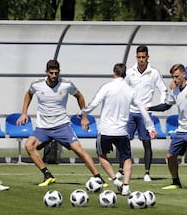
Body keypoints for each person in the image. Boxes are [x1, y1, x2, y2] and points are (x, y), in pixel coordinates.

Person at [16, 59, 106, 186]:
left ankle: (98, 178)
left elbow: (79, 96)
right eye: (51, 73)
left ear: (59, 72)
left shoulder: (66, 84)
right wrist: (24, 112)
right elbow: (28, 94)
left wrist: (84, 116)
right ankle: (47, 175)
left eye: (56, 73)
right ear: (46, 72)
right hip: (43, 128)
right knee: (29, 146)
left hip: (62, 126)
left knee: (78, 149)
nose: (54, 76)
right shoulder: (37, 84)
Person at [78, 63, 157, 195]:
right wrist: (150, 127)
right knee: (127, 158)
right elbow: (142, 108)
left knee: (101, 155)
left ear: (113, 73)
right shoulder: (130, 90)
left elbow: (94, 102)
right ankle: (126, 186)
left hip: (106, 130)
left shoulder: (107, 87)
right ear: (125, 74)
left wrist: (82, 112)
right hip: (122, 131)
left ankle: (115, 181)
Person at [117, 45, 168, 182]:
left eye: (143, 57)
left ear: (147, 57)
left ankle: (146, 173)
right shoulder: (129, 72)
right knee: (123, 140)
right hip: (130, 112)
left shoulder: (154, 73)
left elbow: (163, 89)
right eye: (139, 57)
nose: (141, 60)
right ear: (136, 57)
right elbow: (122, 87)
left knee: (146, 142)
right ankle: (121, 170)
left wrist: (159, 104)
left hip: (145, 113)